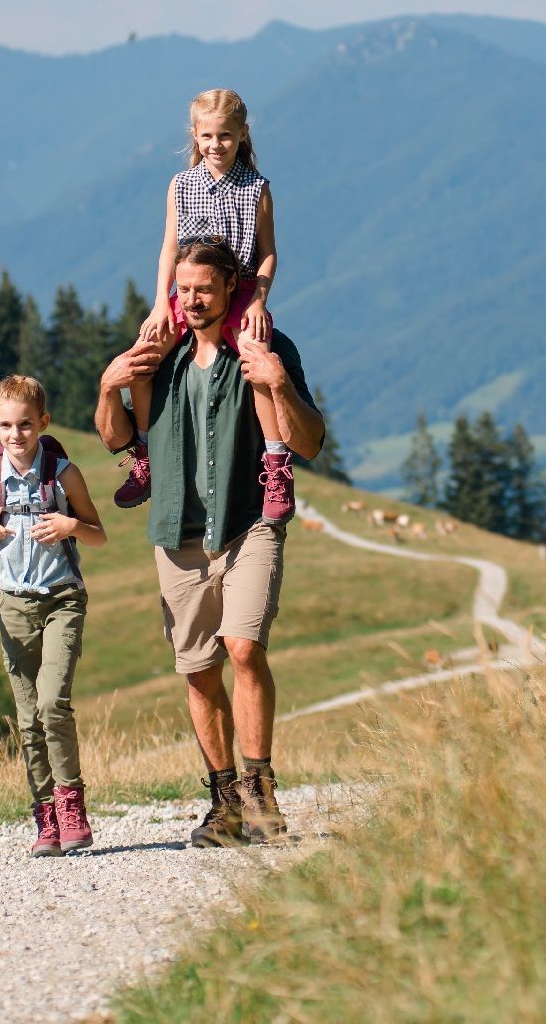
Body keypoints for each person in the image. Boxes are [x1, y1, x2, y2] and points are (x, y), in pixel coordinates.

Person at [96, 236, 326, 847]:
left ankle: (259, 791)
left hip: (250, 521)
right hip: (177, 532)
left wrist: (278, 384)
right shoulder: (159, 353)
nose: (193, 300)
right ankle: (223, 798)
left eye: (205, 288)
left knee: (244, 648)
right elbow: (116, 440)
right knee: (199, 670)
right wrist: (107, 387)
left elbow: (309, 442)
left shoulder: (265, 347)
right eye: (184, 289)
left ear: (232, 286)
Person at [112, 88, 295, 523]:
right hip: (186, 290)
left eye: (226, 136)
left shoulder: (257, 188)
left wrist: (259, 299)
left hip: (240, 293)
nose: (216, 145)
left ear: (243, 134)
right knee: (143, 356)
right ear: (194, 135)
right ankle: (147, 452)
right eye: (208, 135)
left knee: (256, 360)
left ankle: (276, 465)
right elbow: (168, 247)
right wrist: (161, 303)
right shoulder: (181, 185)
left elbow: (268, 252)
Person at [0, 375, 107, 857]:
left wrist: (70, 525)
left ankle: (70, 802)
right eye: (5, 425)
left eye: (25, 424)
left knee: (52, 704)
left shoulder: (64, 474)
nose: (15, 434)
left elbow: (98, 534)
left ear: (43, 422)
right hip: (13, 605)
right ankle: (45, 819)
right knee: (27, 717)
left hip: (62, 598)